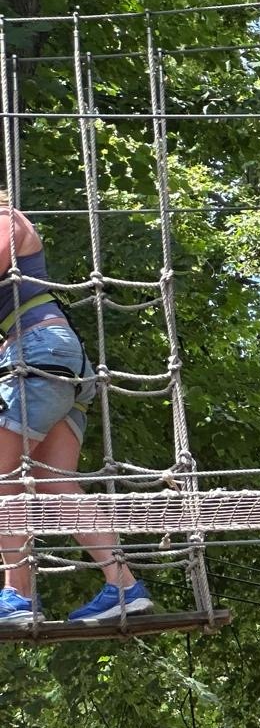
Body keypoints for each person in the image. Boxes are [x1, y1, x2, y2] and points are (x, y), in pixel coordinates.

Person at [0, 193, 153, 625]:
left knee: (2, 479)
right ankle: (124, 586)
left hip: (39, 353)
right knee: (53, 482)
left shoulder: (6, 218)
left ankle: (16, 595)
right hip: (50, 357)